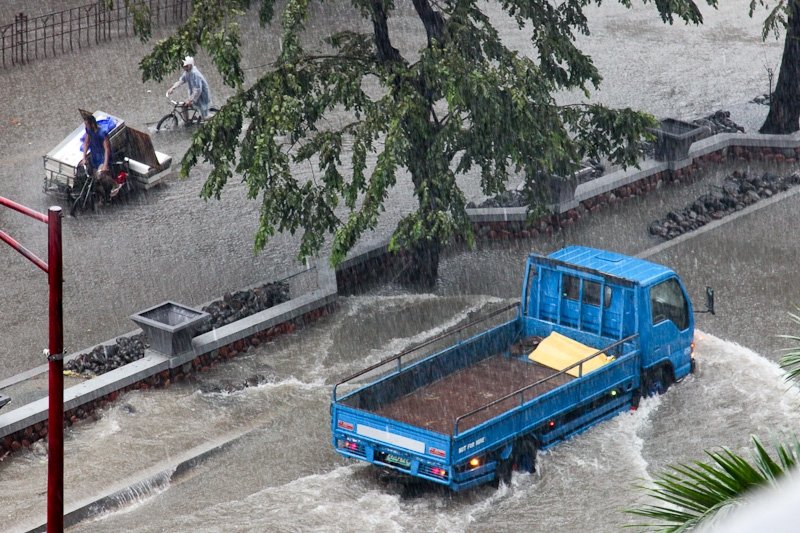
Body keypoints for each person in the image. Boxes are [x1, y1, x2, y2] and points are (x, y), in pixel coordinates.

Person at [81, 115, 119, 202]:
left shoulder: (102, 133)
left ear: (92, 124)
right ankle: (103, 197)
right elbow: (86, 143)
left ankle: (115, 184)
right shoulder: (89, 130)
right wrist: (84, 157)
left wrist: (105, 164)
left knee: (100, 175)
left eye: (87, 124)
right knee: (93, 179)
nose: (86, 126)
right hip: (95, 155)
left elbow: (107, 149)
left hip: (102, 157)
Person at [166, 56, 212, 123]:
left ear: (190, 65)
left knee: (205, 117)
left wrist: (190, 100)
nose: (184, 68)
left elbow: (198, 90)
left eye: (186, 66)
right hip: (194, 95)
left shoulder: (195, 74)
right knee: (184, 106)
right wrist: (173, 88)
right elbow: (181, 80)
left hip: (201, 96)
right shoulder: (187, 72)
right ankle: (187, 121)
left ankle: (217, 118)